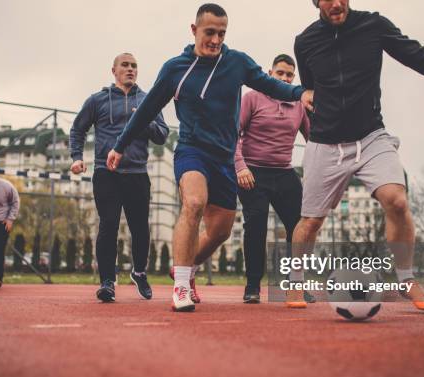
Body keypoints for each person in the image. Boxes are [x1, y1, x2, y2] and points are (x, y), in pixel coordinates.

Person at [107, 3, 314, 312]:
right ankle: (180, 289)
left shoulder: (237, 62)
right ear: (194, 30)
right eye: (209, 32)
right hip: (192, 150)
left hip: (223, 158)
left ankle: (185, 270)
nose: (216, 40)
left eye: (221, 33)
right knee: (193, 202)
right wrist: (120, 145)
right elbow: (149, 108)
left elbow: (270, 84)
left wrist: (300, 92)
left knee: (220, 231)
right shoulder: (175, 68)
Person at [292, 0, 424, 310]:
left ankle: (406, 279)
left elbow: (417, 55)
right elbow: (310, 87)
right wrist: (307, 96)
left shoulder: (374, 25)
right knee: (310, 222)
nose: (337, 2)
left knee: (396, 199)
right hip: (325, 142)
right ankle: (296, 284)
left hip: (370, 135)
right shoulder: (305, 41)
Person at [70, 53, 169, 303]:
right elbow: (77, 129)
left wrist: (143, 120)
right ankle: (107, 281)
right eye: (125, 65)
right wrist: (76, 156)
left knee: (140, 230)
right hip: (106, 172)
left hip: (137, 174)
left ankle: (139, 272)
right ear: (113, 70)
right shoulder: (97, 100)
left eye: (134, 66)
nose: (130, 69)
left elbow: (162, 135)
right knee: (109, 224)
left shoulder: (148, 100)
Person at [235, 54, 312, 305]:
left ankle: (295, 284)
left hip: (284, 172)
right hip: (252, 172)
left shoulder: (298, 105)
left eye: (289, 75)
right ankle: (253, 286)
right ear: (270, 74)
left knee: (301, 225)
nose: (285, 78)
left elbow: (315, 139)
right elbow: (232, 135)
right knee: (256, 225)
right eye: (280, 73)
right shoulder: (252, 98)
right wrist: (240, 167)